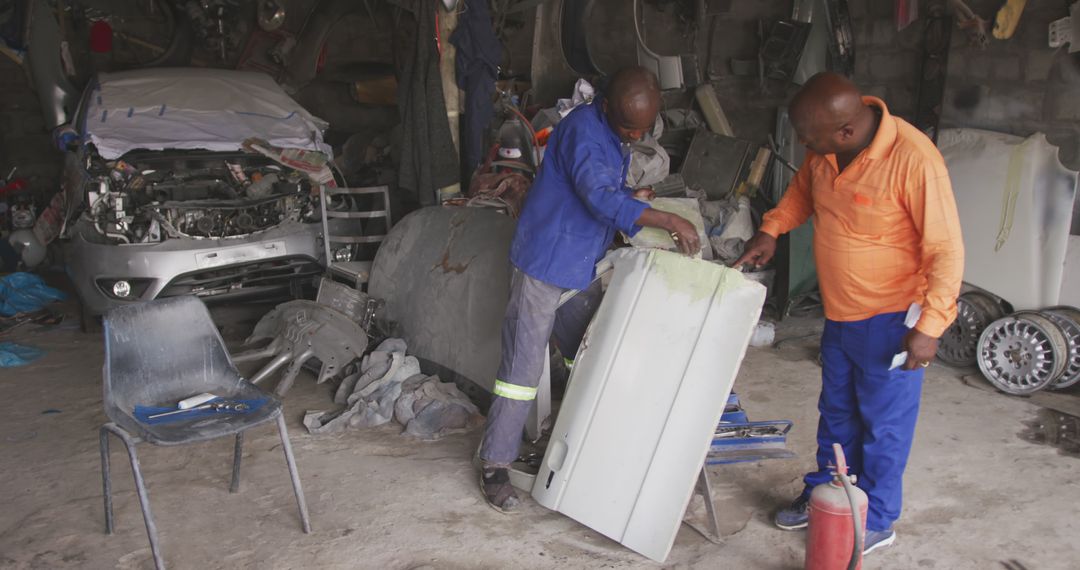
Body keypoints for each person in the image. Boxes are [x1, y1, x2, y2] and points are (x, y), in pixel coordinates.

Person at [733, 72, 964, 554]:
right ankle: (827, 493)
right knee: (837, 413)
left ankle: (875, 517)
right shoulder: (826, 151)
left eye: (808, 138)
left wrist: (932, 325)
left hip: (893, 318)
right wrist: (771, 230)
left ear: (845, 130)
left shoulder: (913, 159)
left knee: (882, 424)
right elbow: (801, 194)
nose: (802, 145)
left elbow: (945, 248)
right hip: (840, 314)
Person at [479, 66, 701, 513]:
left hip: (580, 262)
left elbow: (604, 189)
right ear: (604, 106)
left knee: (591, 349)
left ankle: (586, 440)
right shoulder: (582, 129)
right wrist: (667, 219)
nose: (636, 134)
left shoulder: (611, 129)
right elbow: (598, 197)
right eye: (628, 128)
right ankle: (494, 466)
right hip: (547, 261)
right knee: (522, 373)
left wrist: (631, 196)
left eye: (643, 127)